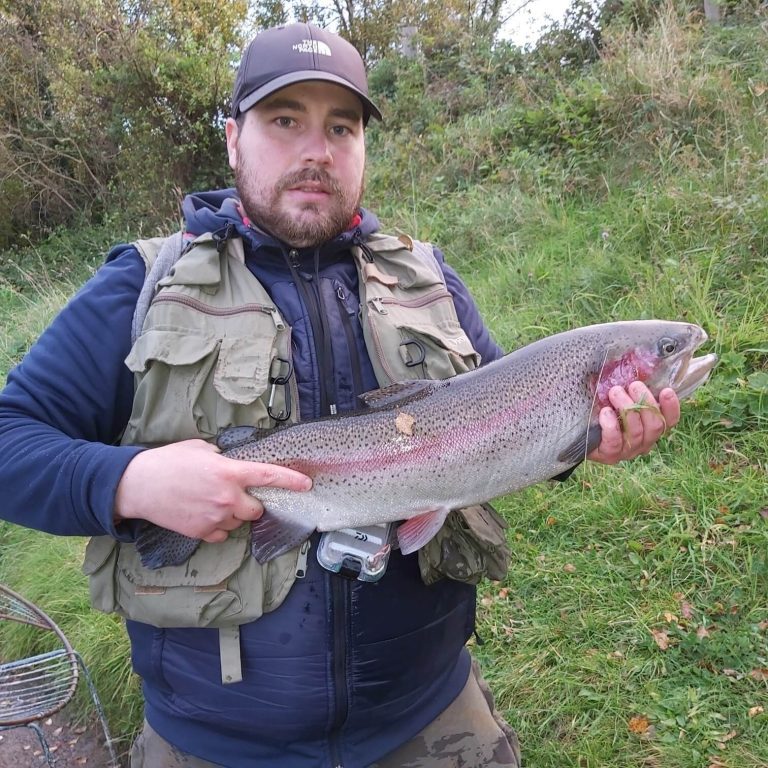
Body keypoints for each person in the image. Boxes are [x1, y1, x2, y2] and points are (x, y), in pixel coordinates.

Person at [0, 22, 680, 768]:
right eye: (285, 120)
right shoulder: (140, 287)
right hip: (212, 745)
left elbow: (502, 430)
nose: (316, 150)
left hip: (433, 717)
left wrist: (583, 438)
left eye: (342, 126)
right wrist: (131, 483)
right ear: (233, 138)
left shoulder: (432, 281)